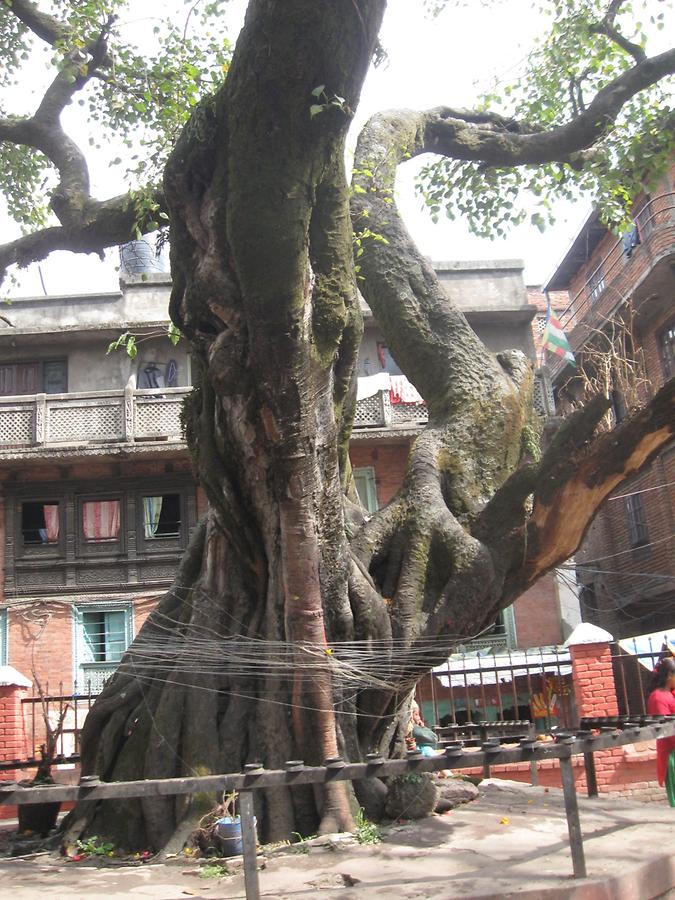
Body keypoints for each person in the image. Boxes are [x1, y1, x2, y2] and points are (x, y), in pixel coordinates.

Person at [646, 657, 675, 806]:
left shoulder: (669, 694)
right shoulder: (658, 697)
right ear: (670, 675)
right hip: (671, 752)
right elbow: (667, 729)